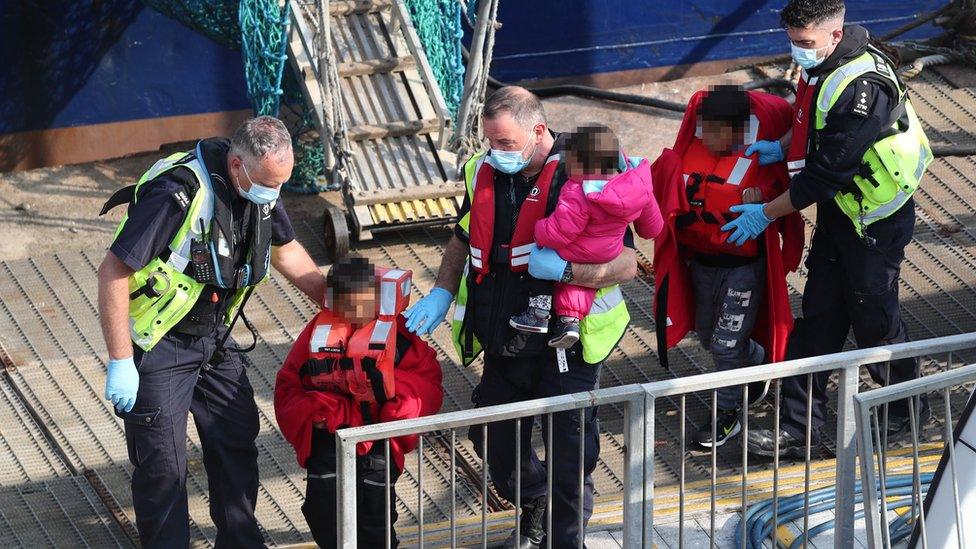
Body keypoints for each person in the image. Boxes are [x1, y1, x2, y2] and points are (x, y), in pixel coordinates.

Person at [401, 86, 637, 548]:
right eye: (490, 142)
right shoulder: (481, 170)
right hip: (505, 337)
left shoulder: (589, 167)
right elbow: (461, 236)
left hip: (566, 341)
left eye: (506, 143)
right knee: (493, 437)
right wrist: (443, 291)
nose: (496, 152)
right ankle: (535, 500)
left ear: (539, 131)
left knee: (571, 454)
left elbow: (628, 262)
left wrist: (568, 270)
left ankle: (565, 541)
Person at [97, 116, 328, 547]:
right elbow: (112, 271)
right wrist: (120, 360)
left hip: (217, 340)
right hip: (162, 344)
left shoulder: (261, 187)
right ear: (237, 165)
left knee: (236, 445)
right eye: (267, 184)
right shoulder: (177, 195)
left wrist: (340, 298)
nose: (273, 197)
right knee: (163, 467)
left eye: (281, 185)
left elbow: (286, 250)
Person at [718, 0, 933, 457]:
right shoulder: (827, 65)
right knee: (818, 318)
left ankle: (906, 414)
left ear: (834, 36)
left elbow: (823, 176)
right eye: (793, 41)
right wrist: (781, 146)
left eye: (805, 43)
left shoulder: (862, 88)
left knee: (874, 321)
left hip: (875, 219)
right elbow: (811, 121)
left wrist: (765, 213)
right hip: (844, 211)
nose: (798, 52)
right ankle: (799, 430)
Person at [651, 85, 805, 449]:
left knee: (723, 344)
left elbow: (788, 203)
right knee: (708, 338)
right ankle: (757, 359)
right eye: (703, 128)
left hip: (743, 270)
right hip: (701, 266)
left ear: (738, 131)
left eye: (717, 131)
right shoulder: (686, 154)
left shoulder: (761, 166)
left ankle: (729, 414)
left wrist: (764, 204)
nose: (707, 137)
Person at [273, 256, 443, 548]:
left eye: (364, 304)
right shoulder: (316, 334)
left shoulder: (400, 336)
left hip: (379, 441)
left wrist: (396, 409)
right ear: (333, 301)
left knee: (375, 520)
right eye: (348, 305)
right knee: (322, 511)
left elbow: (427, 385)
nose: (357, 313)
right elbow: (288, 386)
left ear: (377, 296)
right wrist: (317, 415)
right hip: (330, 438)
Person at [510, 124, 663, 348]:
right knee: (580, 283)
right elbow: (652, 228)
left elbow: (561, 232)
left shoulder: (578, 191)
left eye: (570, 163)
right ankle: (570, 320)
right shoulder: (637, 181)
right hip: (610, 249)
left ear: (581, 165)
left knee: (541, 262)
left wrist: (539, 232)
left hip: (581, 247)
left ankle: (538, 312)